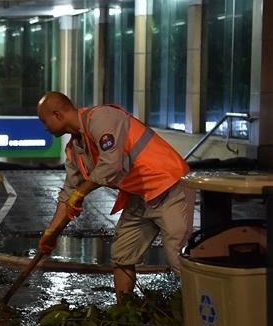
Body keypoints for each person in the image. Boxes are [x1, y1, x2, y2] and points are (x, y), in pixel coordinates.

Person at [35, 91, 194, 299]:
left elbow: (111, 164)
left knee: (177, 256)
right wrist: (51, 234)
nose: (44, 127)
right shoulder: (75, 150)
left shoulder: (102, 118)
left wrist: (82, 191)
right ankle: (124, 311)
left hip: (169, 186)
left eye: (44, 121)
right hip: (140, 195)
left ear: (57, 115)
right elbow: (68, 195)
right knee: (122, 255)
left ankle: (204, 317)